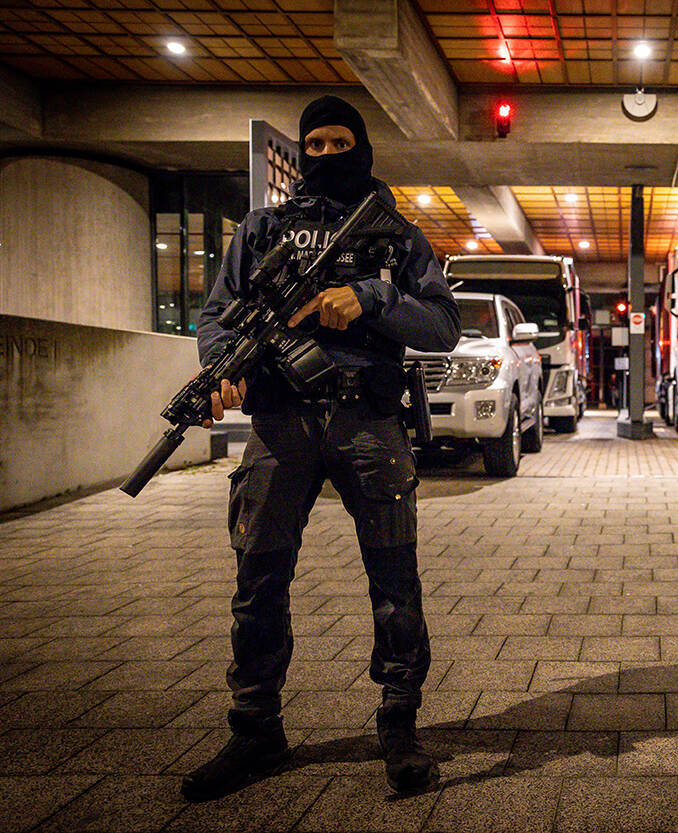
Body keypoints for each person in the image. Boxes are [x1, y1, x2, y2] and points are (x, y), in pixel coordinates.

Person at [182, 95, 460, 801]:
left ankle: (398, 723)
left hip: (368, 420)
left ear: (362, 148)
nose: (328, 154)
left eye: (342, 142)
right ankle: (255, 728)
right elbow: (218, 315)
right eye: (317, 143)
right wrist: (225, 368)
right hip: (279, 423)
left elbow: (443, 324)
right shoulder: (262, 227)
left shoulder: (395, 236)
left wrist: (371, 298)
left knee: (395, 582)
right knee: (258, 580)